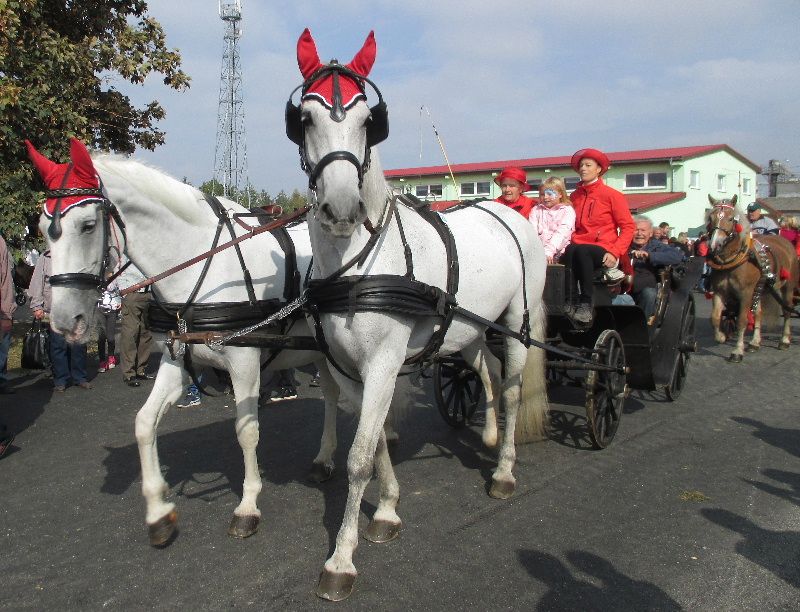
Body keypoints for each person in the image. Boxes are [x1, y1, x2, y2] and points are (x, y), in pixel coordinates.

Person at [561, 148, 636, 323]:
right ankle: (569, 301)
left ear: (599, 169)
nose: (583, 169)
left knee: (581, 251)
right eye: (581, 166)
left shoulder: (612, 195)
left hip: (604, 249)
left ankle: (586, 304)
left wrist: (615, 252)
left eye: (588, 165)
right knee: (570, 249)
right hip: (577, 247)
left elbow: (627, 227)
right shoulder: (575, 196)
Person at [28, 250, 91, 391]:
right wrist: (37, 305)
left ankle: (79, 377)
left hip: (77, 308)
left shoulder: (78, 253)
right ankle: (60, 380)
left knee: (78, 345)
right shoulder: (46, 257)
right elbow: (37, 283)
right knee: (58, 346)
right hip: (55, 310)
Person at [629, 216, 685, 319]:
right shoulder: (624, 244)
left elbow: (677, 256)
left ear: (650, 233)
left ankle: (641, 325)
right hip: (622, 284)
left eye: (643, 230)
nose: (639, 233)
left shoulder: (657, 246)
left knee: (649, 294)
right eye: (636, 230)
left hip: (646, 285)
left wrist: (650, 256)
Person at [117, 262, 154, 387]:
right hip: (132, 290)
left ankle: (140, 369)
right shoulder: (128, 245)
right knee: (130, 333)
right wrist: (123, 290)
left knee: (146, 333)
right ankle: (129, 373)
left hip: (149, 292)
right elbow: (117, 266)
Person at [529, 177, 575, 263]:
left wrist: (549, 251)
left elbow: (562, 233)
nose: (545, 197)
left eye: (550, 194)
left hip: (561, 253)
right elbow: (532, 232)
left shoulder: (567, 210)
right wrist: (536, 250)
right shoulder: (536, 210)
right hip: (539, 252)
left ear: (560, 194)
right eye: (542, 194)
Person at [0, 233, 16, 395]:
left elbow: (5, 281)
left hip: (1, 310)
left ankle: (2, 380)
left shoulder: (0, 242)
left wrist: (6, 315)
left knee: (2, 348)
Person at [96, 274, 121, 373]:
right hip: (100, 309)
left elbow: (120, 289)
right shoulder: (97, 275)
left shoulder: (116, 276)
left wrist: (120, 300)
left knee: (110, 337)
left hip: (112, 309)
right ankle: (102, 361)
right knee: (101, 337)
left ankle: (111, 356)